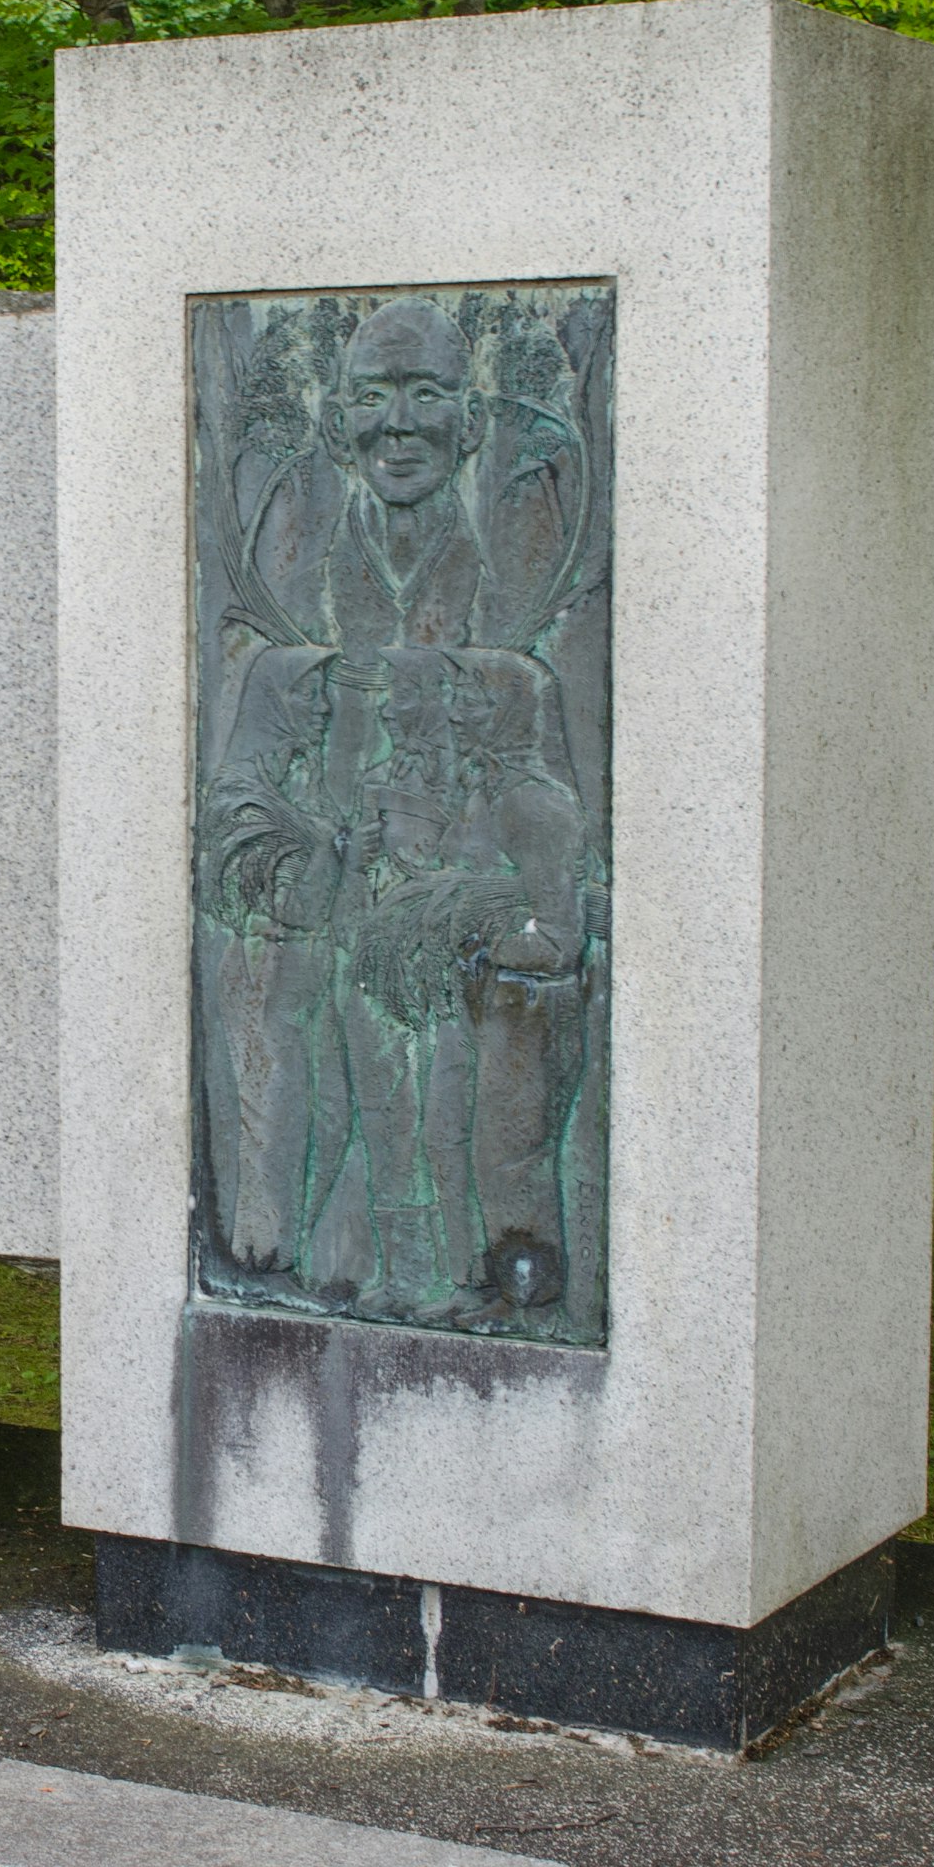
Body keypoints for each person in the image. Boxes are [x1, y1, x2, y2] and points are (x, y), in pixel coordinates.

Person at [194, 294, 599, 1331]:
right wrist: (322, 863)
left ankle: (489, 1245)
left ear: (472, 422)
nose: (401, 426)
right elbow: (230, 818)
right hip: (321, 990)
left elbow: (556, 829)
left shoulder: (512, 661)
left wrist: (475, 867)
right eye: (374, 399)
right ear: (338, 425)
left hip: (465, 991)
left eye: (428, 396)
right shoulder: (293, 646)